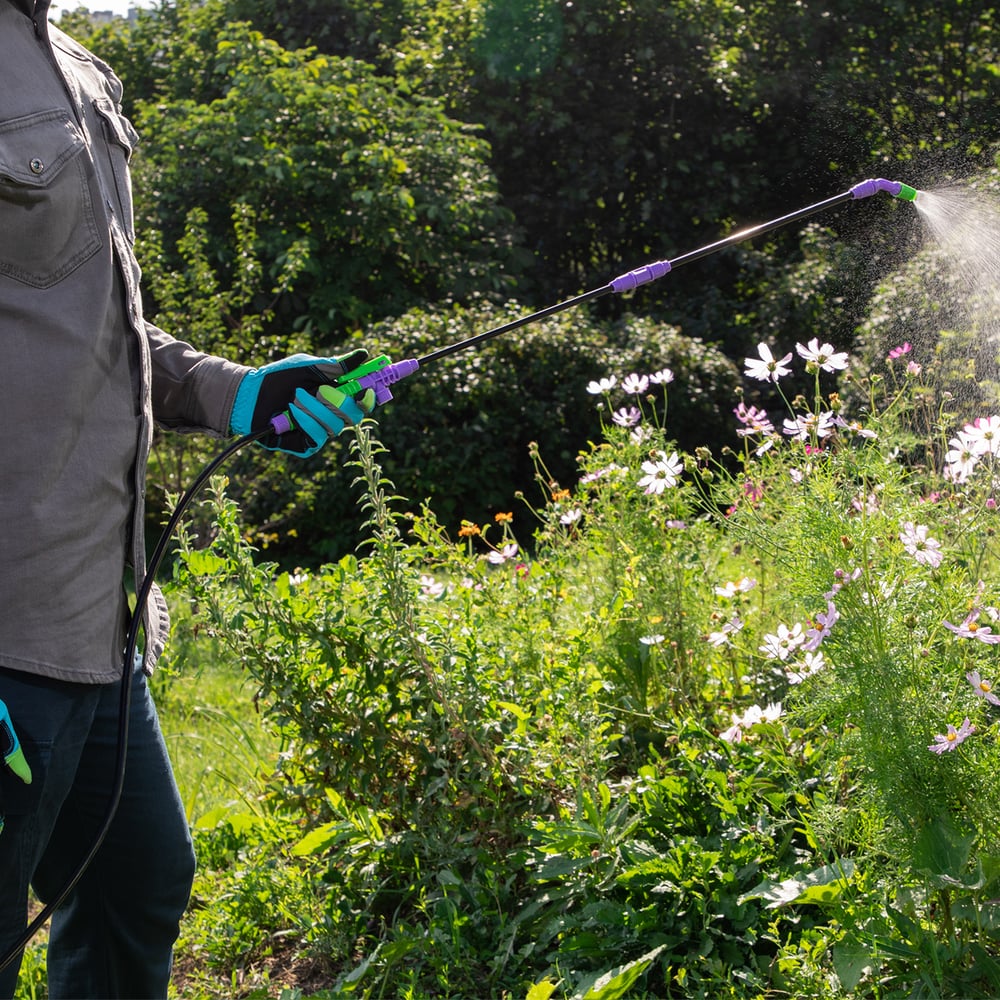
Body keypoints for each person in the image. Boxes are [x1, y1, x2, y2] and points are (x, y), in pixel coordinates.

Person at [0, 2, 378, 995]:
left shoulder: (75, 67)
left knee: (136, 886)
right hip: (7, 636)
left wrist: (239, 393)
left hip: (96, 622)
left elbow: (94, 321)